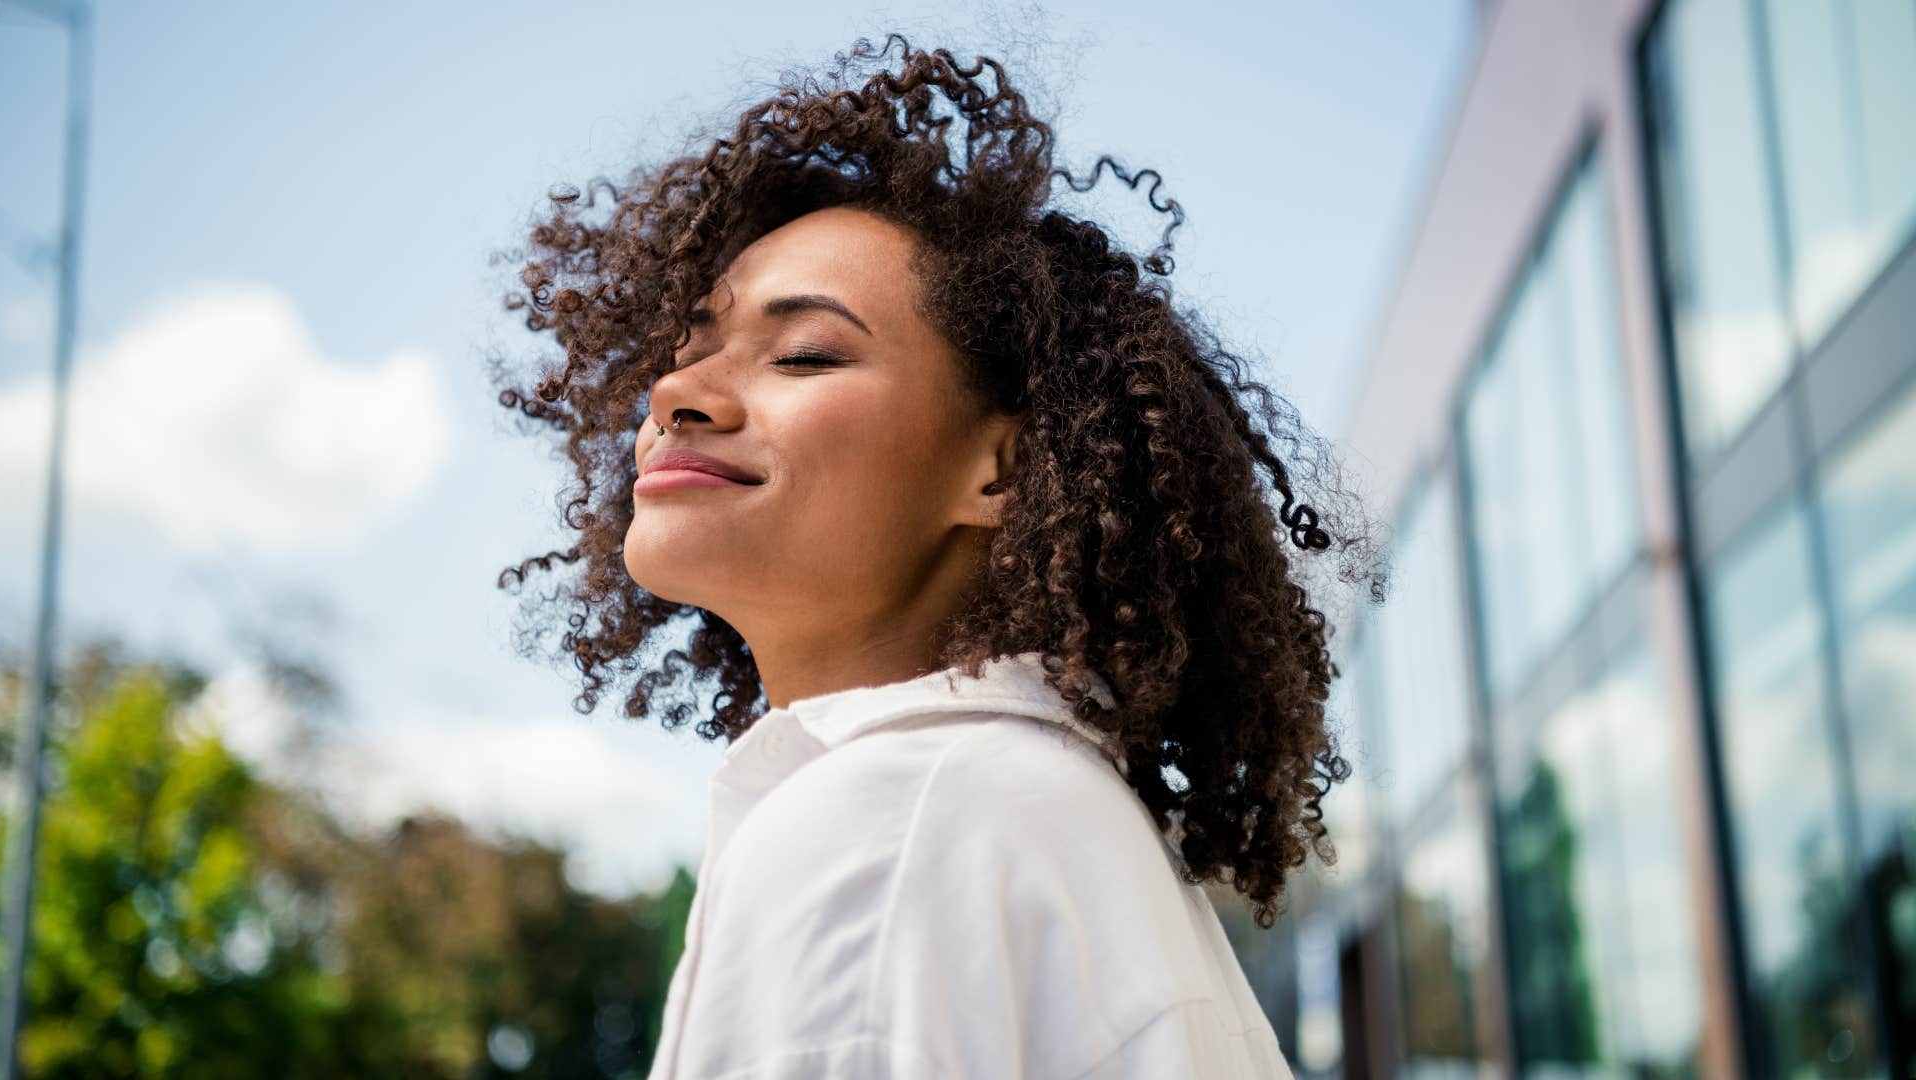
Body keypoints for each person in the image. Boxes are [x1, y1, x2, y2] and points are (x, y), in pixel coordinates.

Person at [492, 32, 1384, 1080]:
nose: (673, 395)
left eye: (805, 353)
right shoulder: (1044, 826)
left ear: (1001, 471)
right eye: (689, 351)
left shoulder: (881, 837)